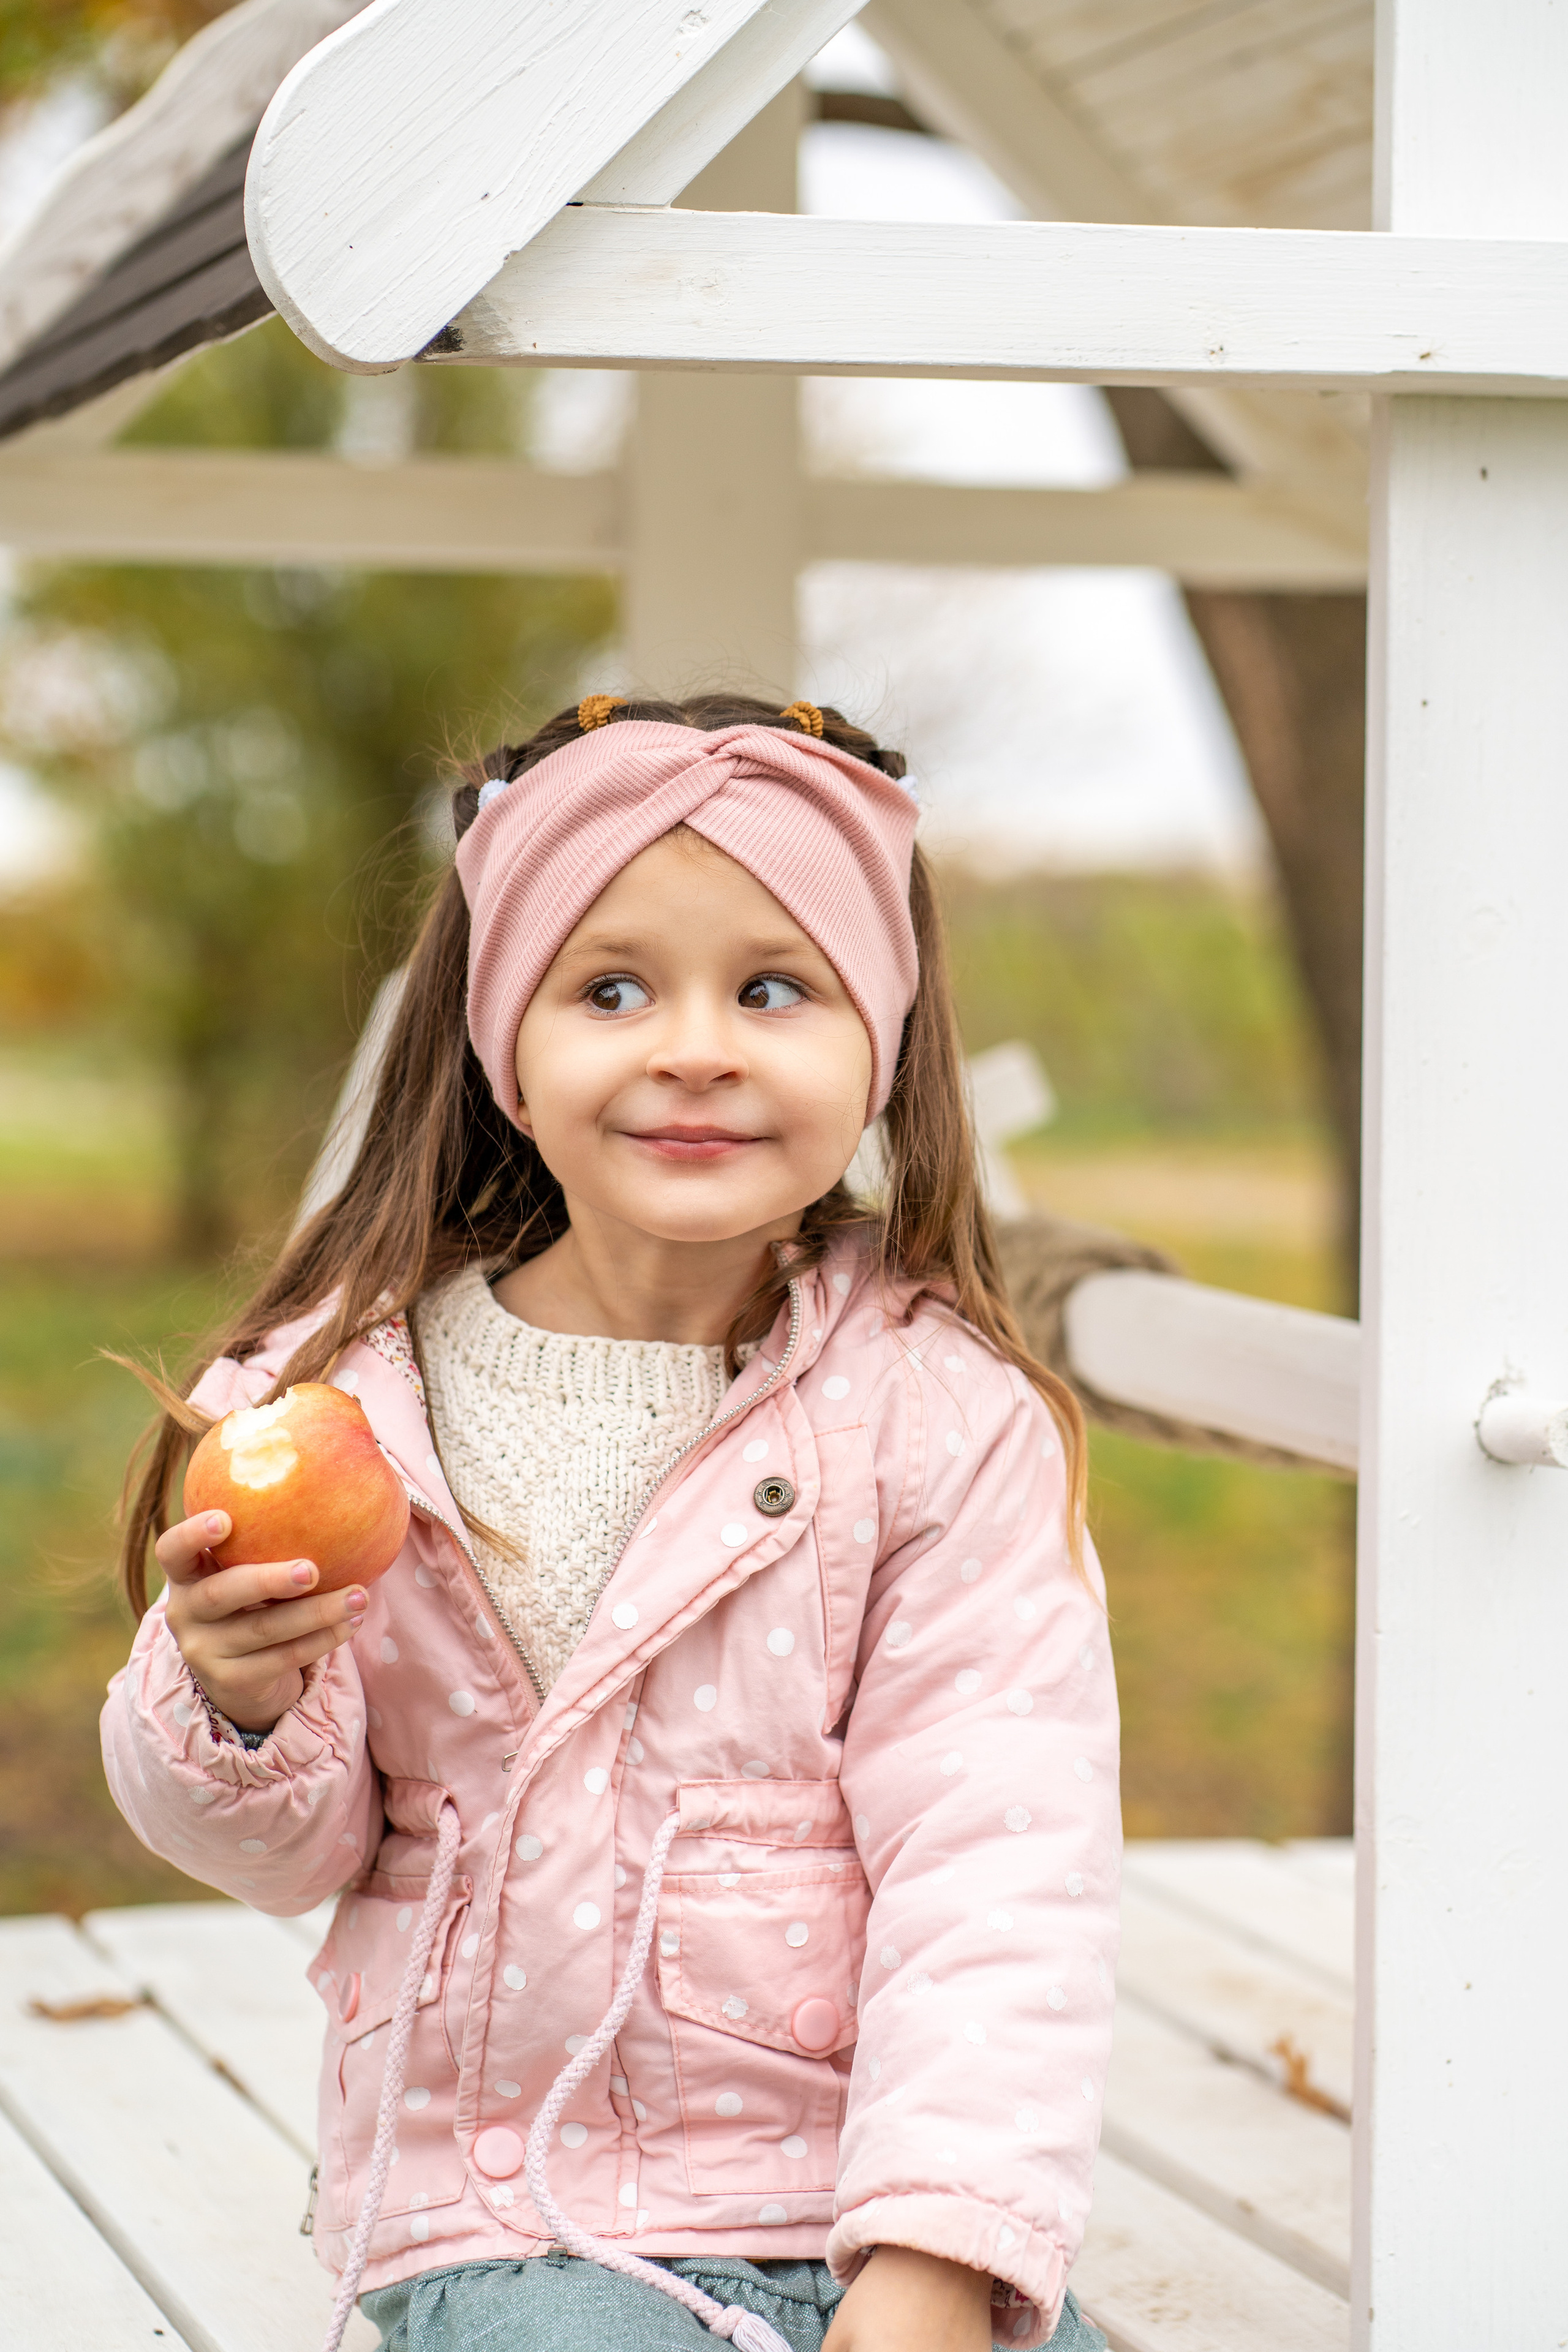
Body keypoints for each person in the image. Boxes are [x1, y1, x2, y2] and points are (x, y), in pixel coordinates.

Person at [103, 694, 1120, 2352]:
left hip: (870, 2201)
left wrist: (940, 2249)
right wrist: (233, 1698)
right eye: (614, 988)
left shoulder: (933, 1422)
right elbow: (283, 1854)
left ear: (881, 1030)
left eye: (775, 986)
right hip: (514, 2218)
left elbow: (1002, 1863)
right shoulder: (345, 1410)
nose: (697, 1045)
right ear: (511, 1040)